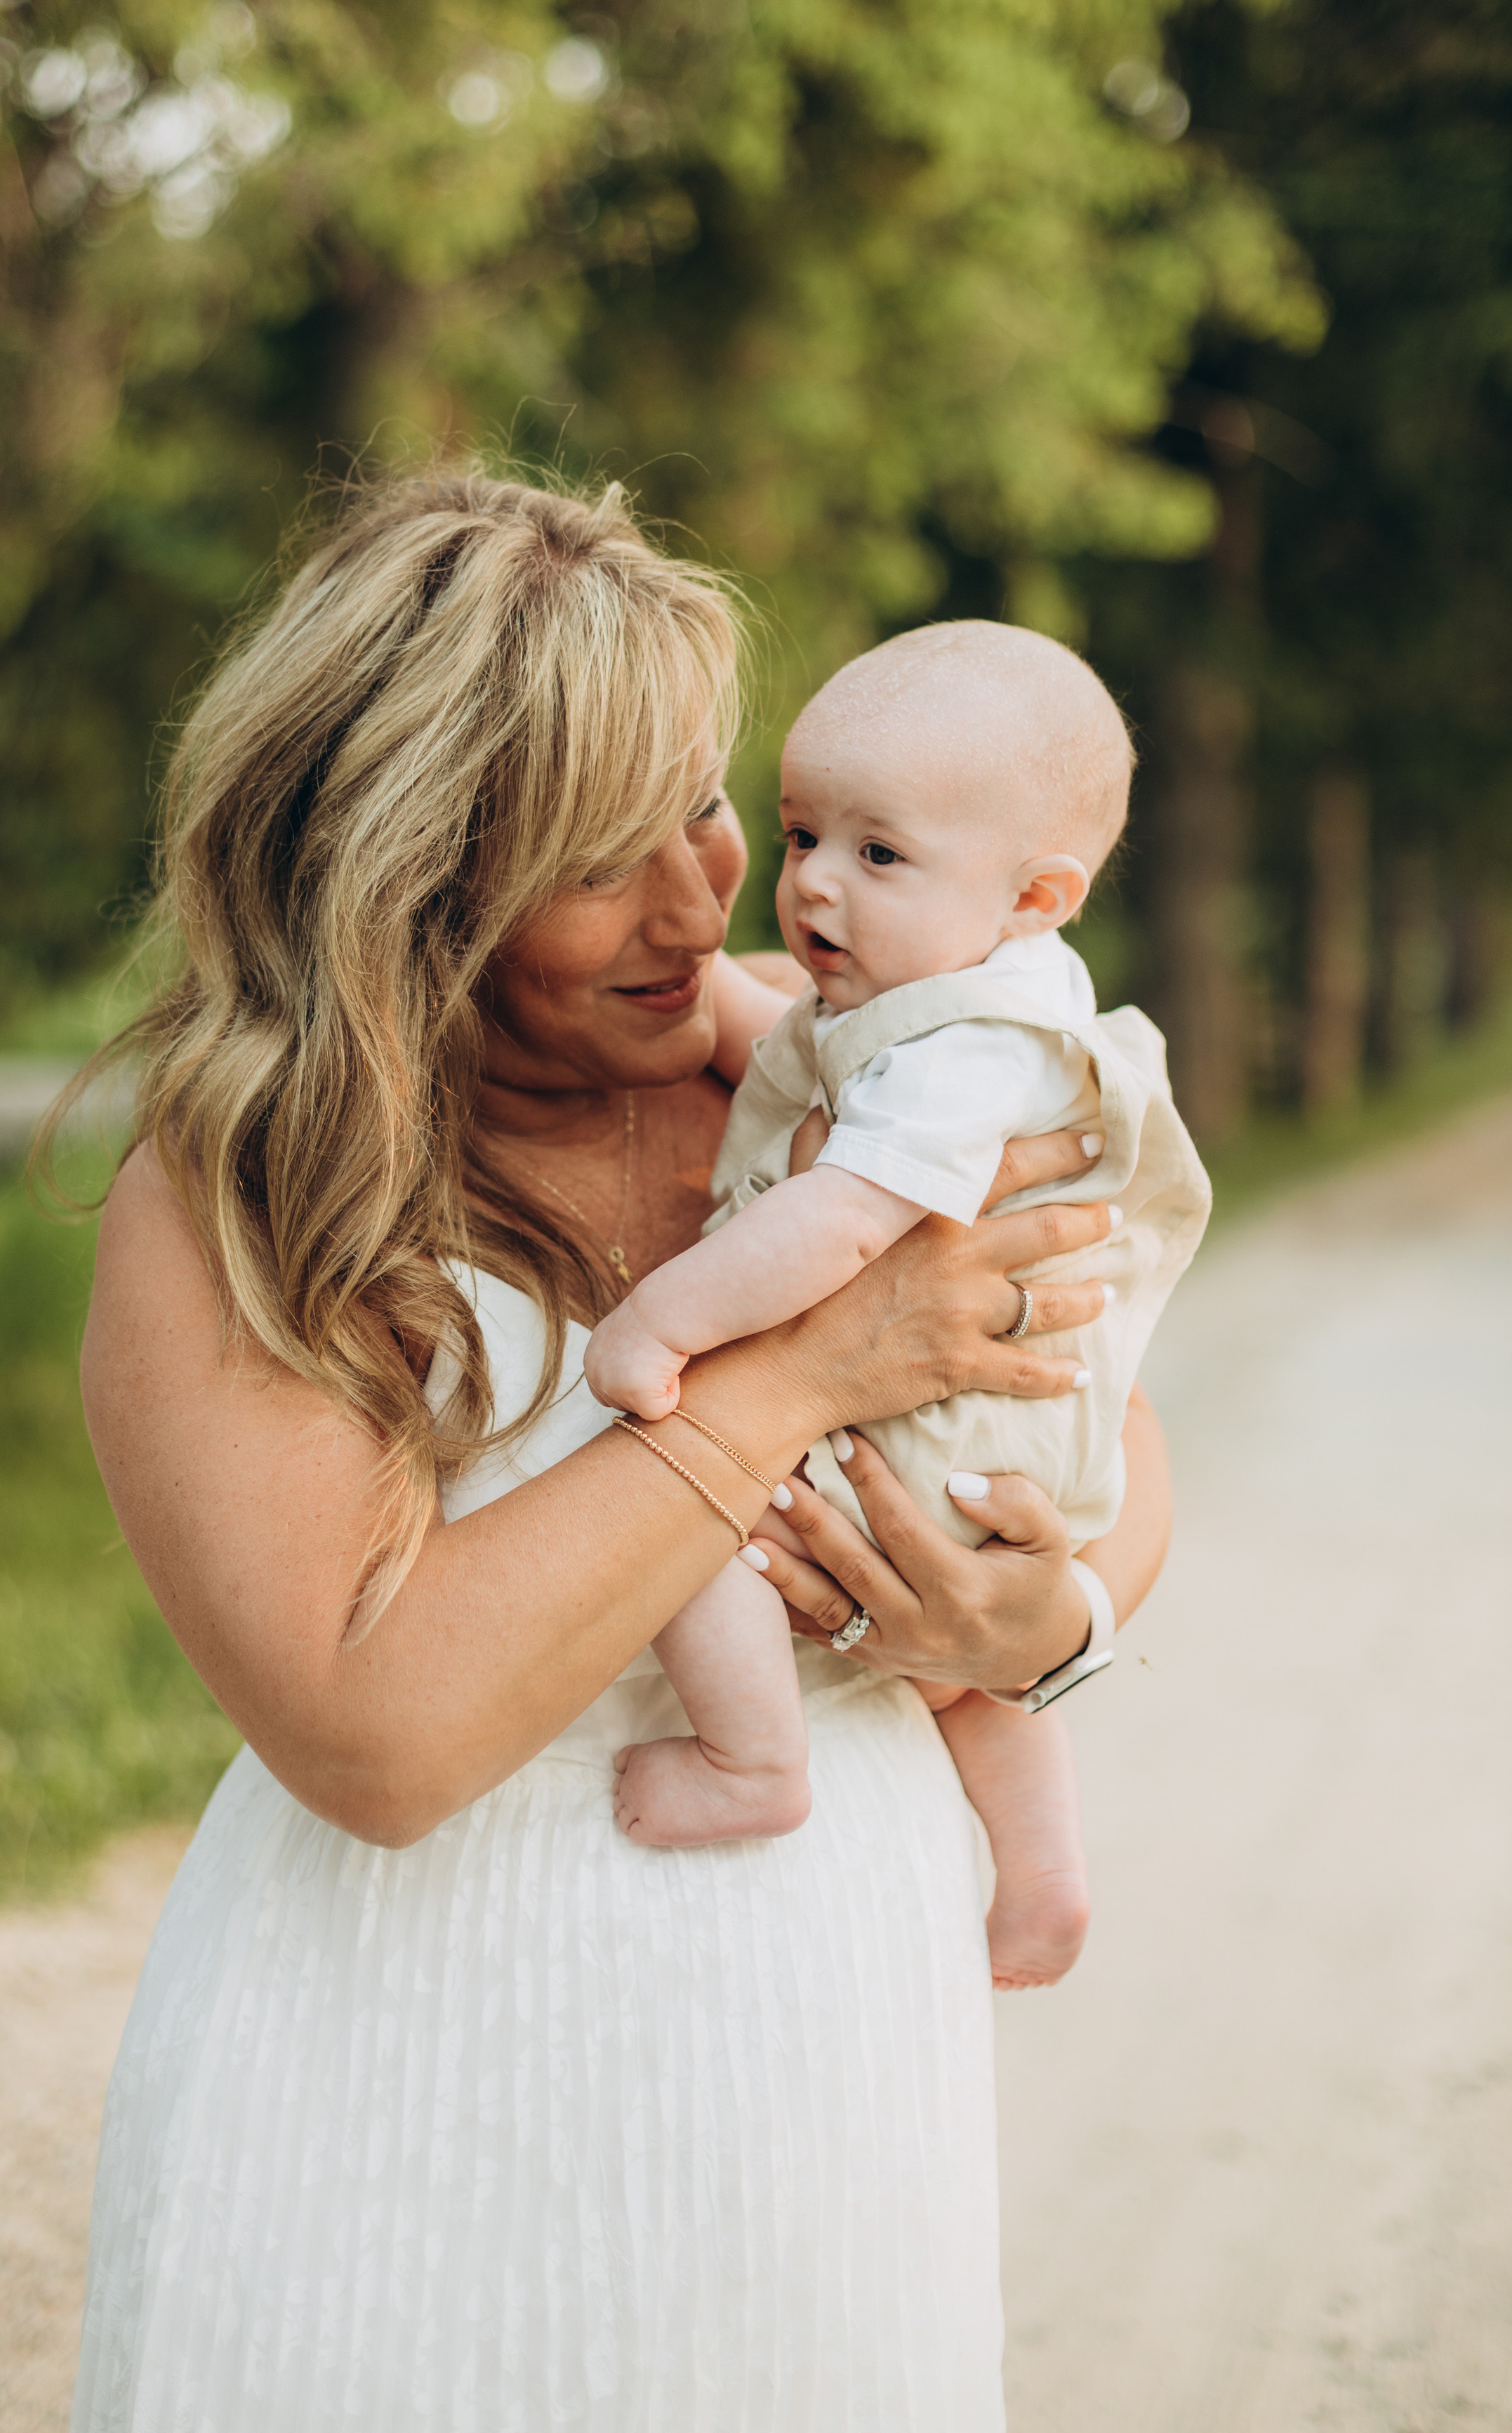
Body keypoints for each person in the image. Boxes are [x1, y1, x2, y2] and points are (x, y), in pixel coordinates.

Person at [65, 471, 1170, 2432]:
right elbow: (376, 1738)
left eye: (702, 805)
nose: (704, 902)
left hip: (824, 2025)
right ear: (403, 873)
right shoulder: (245, 1189)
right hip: (401, 2037)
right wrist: (800, 1376)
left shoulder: (818, 1061)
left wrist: (1044, 1615)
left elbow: (1097, 1423)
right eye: (599, 859)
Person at [585, 623, 1210, 1991]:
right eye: (802, 831)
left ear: (1036, 895)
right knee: (956, 1665)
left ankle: (751, 1761)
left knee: (694, 1519)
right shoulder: (938, 990)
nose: (808, 884)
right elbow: (795, 1064)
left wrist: (661, 1323)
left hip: (924, 1423)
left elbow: (842, 1214)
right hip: (991, 1442)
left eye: (876, 856)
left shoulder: (964, 1052)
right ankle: (1042, 1878)